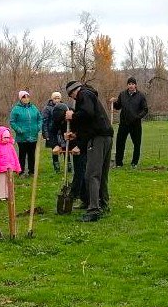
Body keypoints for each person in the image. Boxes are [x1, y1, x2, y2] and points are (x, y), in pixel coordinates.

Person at [65, 80, 113, 222]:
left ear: (75, 91)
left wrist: (72, 115)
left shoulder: (84, 94)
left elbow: (87, 113)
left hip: (98, 139)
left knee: (92, 174)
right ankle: (103, 204)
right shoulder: (90, 95)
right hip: (106, 137)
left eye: (71, 95)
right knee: (102, 174)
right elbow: (89, 123)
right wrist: (76, 135)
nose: (73, 98)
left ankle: (93, 210)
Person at [111, 76, 149, 168]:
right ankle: (119, 163)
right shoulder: (122, 94)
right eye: (129, 84)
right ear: (127, 85)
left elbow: (145, 109)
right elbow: (118, 106)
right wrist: (114, 102)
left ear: (135, 85)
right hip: (124, 123)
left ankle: (134, 163)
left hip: (135, 124)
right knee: (120, 143)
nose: (131, 86)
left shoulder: (141, 96)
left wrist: (138, 117)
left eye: (132, 84)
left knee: (137, 144)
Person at [9, 90, 42, 176]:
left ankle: (32, 171)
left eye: (27, 96)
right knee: (22, 155)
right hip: (22, 137)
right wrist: (19, 130)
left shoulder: (34, 108)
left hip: (33, 136)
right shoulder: (16, 109)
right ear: (20, 99)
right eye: (24, 97)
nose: (26, 99)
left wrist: (38, 127)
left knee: (32, 154)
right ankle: (21, 171)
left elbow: (40, 119)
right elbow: (12, 122)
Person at [0, 126, 21, 200]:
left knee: (10, 182)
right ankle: (1, 195)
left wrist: (17, 168)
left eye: (8, 137)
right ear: (0, 137)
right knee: (2, 182)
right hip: (1, 169)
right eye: (5, 138)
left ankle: (9, 194)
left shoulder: (10, 146)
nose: (7, 139)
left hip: (10, 168)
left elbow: (15, 157)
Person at [41, 92, 64, 173]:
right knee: (55, 150)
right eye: (55, 98)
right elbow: (44, 122)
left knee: (65, 149)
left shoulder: (64, 107)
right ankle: (56, 167)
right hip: (52, 133)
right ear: (52, 99)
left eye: (58, 98)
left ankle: (68, 166)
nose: (57, 100)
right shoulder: (47, 108)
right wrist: (46, 134)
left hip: (62, 132)